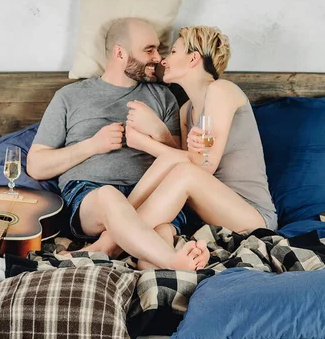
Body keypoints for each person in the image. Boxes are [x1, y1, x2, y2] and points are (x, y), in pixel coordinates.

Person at [85, 25, 277, 270]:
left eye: (173, 52)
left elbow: (204, 166)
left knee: (184, 173)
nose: (164, 60)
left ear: (193, 58)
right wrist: (159, 133)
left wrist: (146, 143)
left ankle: (110, 242)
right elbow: (185, 157)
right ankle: (139, 247)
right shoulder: (186, 110)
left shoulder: (221, 91)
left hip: (252, 215)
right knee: (162, 221)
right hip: (210, 213)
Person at [27, 17, 208, 271]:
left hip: (155, 196)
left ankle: (114, 255)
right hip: (91, 195)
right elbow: (36, 165)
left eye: (158, 49)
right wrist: (92, 145)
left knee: (163, 232)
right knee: (110, 197)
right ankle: (167, 259)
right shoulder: (70, 97)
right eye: (149, 50)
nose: (158, 58)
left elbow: (179, 161)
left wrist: (159, 131)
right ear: (120, 53)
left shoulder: (163, 96)